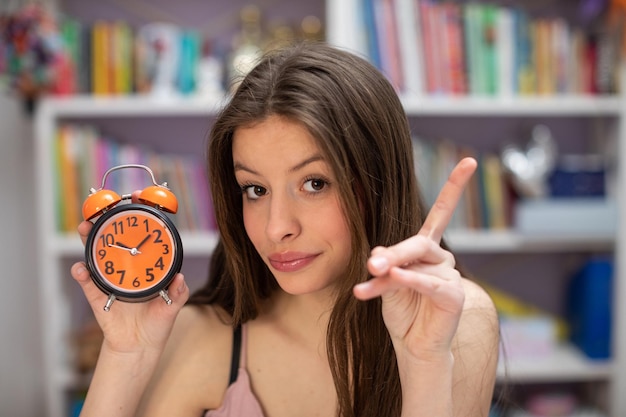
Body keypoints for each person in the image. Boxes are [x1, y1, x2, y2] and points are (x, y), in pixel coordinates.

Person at [70, 41, 500, 417]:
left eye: (315, 184)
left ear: (378, 183)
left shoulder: (457, 322)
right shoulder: (201, 335)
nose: (276, 228)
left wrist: (424, 366)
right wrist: (126, 356)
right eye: (255, 189)